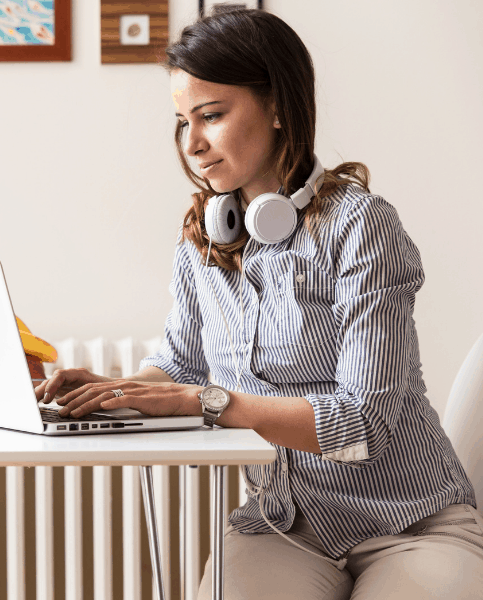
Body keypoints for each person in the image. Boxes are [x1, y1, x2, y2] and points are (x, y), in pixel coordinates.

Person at [33, 7, 483, 599]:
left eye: (212, 116)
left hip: (410, 524)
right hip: (285, 528)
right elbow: (181, 369)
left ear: (276, 106)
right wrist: (115, 393)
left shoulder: (362, 226)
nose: (192, 143)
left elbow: (363, 421)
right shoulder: (202, 235)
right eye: (182, 121)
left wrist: (209, 401)